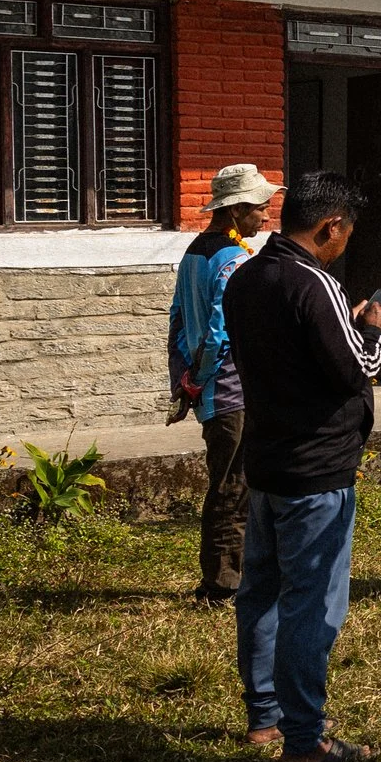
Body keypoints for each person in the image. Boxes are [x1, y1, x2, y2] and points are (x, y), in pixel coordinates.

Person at [224, 171, 381, 762]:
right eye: (345, 233)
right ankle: (305, 739)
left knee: (262, 591)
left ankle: (265, 717)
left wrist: (342, 328)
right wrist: (372, 329)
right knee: (312, 603)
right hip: (318, 471)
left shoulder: (247, 276)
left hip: (267, 462)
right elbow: (356, 367)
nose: (345, 243)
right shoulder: (316, 282)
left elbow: (292, 354)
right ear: (330, 226)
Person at [168, 163, 275, 604]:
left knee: (228, 482)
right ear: (236, 211)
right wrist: (197, 381)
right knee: (232, 487)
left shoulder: (195, 251)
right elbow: (218, 333)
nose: (266, 218)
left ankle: (230, 575)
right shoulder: (234, 260)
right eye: (260, 209)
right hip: (229, 391)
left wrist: (184, 381)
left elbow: (177, 322)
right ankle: (222, 584)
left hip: (208, 390)